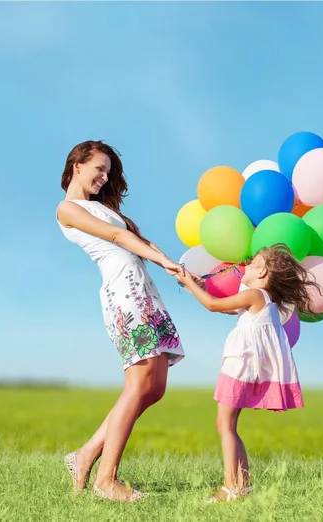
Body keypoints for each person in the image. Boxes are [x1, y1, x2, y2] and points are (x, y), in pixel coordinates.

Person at [56, 140, 185, 502]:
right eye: (99, 168)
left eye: (108, 172)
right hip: (123, 292)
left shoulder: (102, 207)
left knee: (154, 387)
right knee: (139, 380)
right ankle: (106, 479)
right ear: (77, 164)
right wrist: (162, 262)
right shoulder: (67, 209)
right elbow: (116, 237)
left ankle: (84, 455)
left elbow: (137, 238)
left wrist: (176, 268)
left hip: (142, 288)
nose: (104, 176)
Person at [174, 244, 320, 502]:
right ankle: (243, 486)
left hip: (239, 367)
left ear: (262, 272)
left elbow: (212, 305)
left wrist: (187, 279)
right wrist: (194, 285)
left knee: (224, 425)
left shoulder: (255, 295)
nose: (246, 265)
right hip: (244, 367)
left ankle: (230, 487)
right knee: (229, 426)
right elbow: (229, 308)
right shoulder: (262, 299)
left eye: (253, 263)